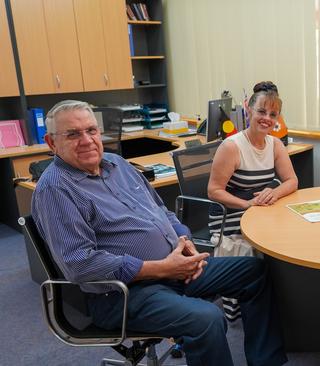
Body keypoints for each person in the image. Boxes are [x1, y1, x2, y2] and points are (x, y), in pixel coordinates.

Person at [32, 100, 287, 366]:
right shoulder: (56, 190)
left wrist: (184, 240)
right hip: (124, 294)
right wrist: (161, 268)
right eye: (73, 134)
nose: (86, 140)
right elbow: (80, 264)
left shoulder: (117, 164)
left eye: (91, 131)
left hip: (175, 267)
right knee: (207, 319)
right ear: (52, 143)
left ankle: (265, 361)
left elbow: (162, 211)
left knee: (254, 272)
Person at [207, 81, 298, 319]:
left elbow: (292, 180)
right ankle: (250, 307)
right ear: (248, 108)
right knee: (258, 249)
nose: (266, 118)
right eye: (261, 111)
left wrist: (274, 191)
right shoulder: (232, 147)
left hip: (260, 211)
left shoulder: (275, 144)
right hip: (231, 214)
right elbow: (214, 191)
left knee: (291, 238)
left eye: (272, 114)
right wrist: (247, 205)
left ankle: (278, 304)